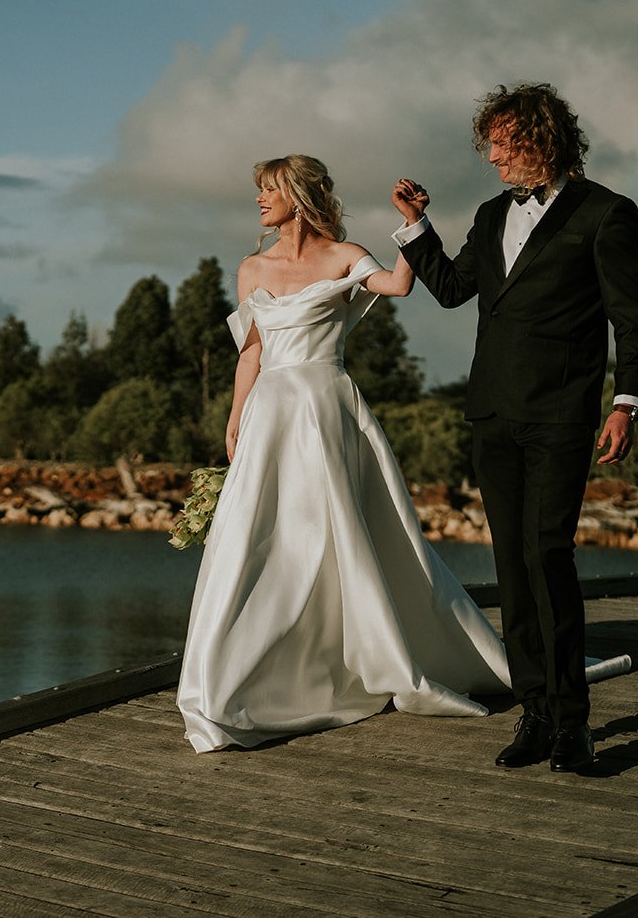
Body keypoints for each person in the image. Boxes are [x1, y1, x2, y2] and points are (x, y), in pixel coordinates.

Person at [177, 155, 514, 752]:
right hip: (270, 412)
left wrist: (412, 225)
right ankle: (229, 679)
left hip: (328, 408)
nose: (259, 200)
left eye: (269, 190)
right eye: (258, 191)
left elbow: (399, 285)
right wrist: (234, 417)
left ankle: (358, 655)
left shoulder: (342, 255)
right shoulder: (252, 267)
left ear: (298, 194)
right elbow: (251, 351)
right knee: (255, 540)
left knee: (337, 536)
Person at [393, 83, 638, 773]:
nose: (491, 158)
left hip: (561, 415)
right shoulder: (488, 215)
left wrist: (625, 401)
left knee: (548, 555)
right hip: (492, 415)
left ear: (542, 138)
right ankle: (535, 712)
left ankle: (574, 722)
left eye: (502, 144)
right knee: (511, 566)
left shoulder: (605, 213)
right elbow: (452, 289)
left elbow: (633, 320)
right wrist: (418, 227)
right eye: (489, 144)